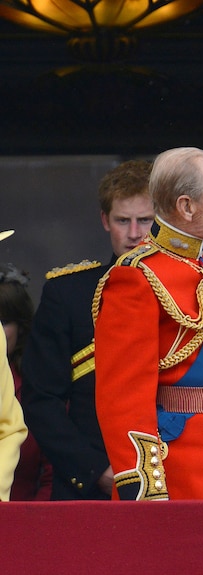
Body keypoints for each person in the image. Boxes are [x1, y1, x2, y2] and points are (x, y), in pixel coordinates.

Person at [93, 147, 203, 500]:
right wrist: (144, 488)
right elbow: (122, 400)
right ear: (186, 207)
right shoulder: (136, 276)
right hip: (183, 471)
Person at [21, 159, 154, 500]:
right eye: (123, 220)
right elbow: (41, 400)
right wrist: (94, 471)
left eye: (146, 220)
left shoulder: (191, 291)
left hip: (176, 475)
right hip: (91, 486)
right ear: (105, 221)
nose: (135, 233)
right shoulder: (68, 293)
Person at [0, 262, 52, 500]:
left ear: (20, 327)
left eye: (3, 322)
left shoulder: (37, 390)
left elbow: (52, 478)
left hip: (18, 526)